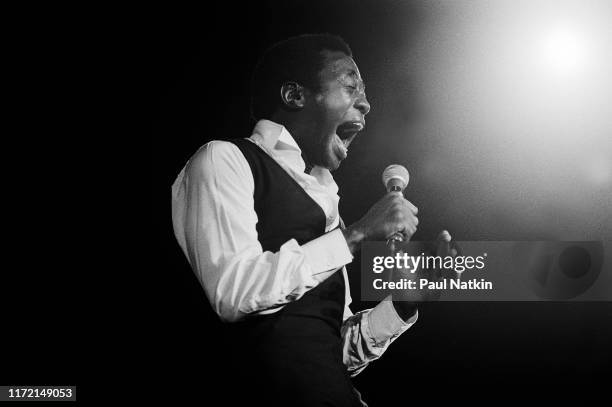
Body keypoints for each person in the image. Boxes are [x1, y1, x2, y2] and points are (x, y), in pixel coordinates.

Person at [171, 33, 449, 406]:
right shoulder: (225, 159)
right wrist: (357, 235)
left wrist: (403, 304)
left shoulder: (327, 203)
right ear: (295, 96)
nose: (366, 104)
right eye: (351, 87)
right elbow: (233, 292)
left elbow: (332, 353)